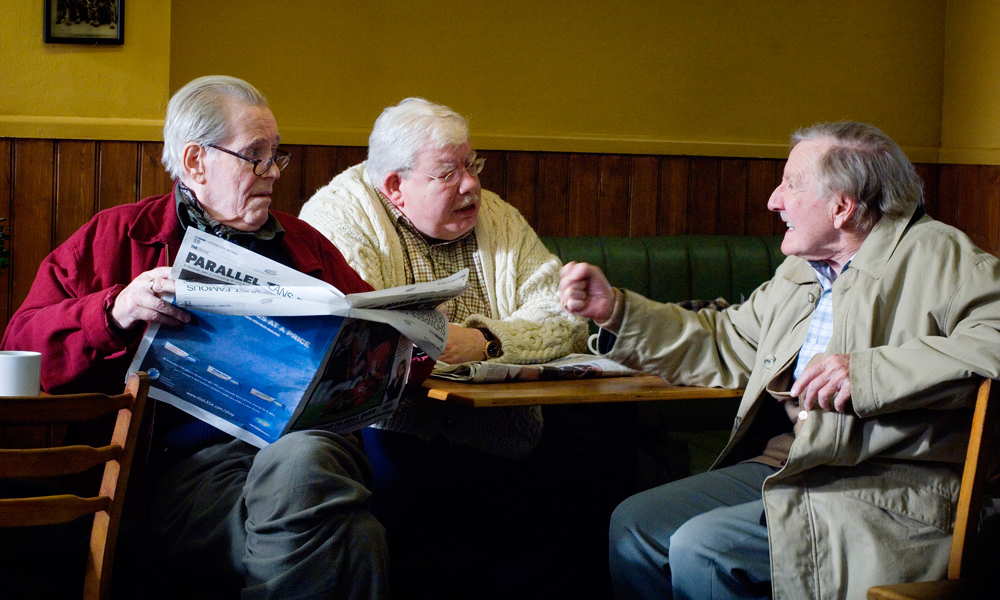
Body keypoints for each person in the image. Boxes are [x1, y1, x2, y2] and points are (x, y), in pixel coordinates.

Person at [559, 121, 1000, 599]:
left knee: (704, 548)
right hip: (792, 463)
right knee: (637, 525)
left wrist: (870, 372)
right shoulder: (801, 271)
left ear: (842, 207)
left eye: (791, 184)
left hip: (893, 486)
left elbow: (992, 342)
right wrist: (617, 312)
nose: (774, 200)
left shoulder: (946, 259)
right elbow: (726, 340)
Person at [1, 76, 389, 599]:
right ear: (196, 161)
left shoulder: (306, 247)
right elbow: (22, 345)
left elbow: (379, 341)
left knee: (302, 461)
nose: (273, 172)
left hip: (312, 455)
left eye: (277, 155)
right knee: (357, 539)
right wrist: (114, 311)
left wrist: (404, 344)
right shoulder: (119, 236)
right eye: (255, 156)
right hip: (187, 477)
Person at [299, 98, 598, 598]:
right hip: (394, 427)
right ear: (395, 186)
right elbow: (372, 335)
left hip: (509, 425)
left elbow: (565, 314)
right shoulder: (339, 217)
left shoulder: (496, 216)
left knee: (592, 472)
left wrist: (486, 340)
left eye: (472, 165)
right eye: (448, 173)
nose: (471, 185)